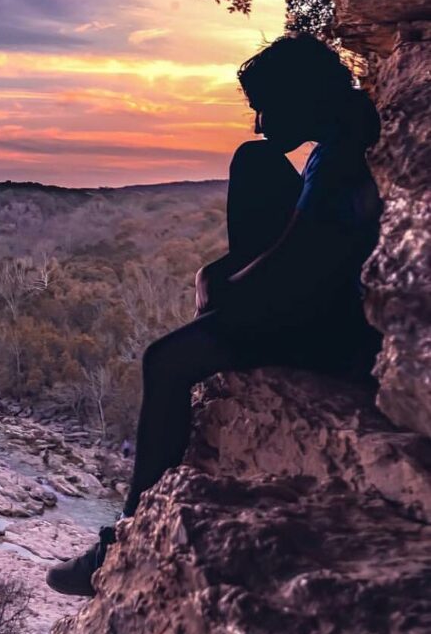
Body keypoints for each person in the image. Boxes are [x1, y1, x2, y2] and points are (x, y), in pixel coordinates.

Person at [46, 34, 383, 598]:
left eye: (265, 106)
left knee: (166, 361)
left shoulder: (342, 154)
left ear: (302, 97)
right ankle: (237, 309)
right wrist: (215, 272)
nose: (257, 121)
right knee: (254, 160)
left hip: (329, 328)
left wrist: (228, 295)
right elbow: (296, 240)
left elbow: (302, 258)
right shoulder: (345, 133)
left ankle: (121, 539)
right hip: (320, 299)